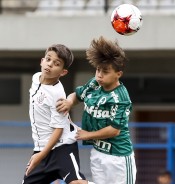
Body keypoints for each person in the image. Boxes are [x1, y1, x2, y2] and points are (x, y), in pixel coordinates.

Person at [56, 36, 137, 184]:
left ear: (118, 74)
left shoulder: (120, 98)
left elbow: (114, 130)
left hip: (118, 157)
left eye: (105, 71)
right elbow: (77, 95)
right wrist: (69, 102)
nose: (99, 75)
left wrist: (88, 135)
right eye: (98, 70)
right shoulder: (94, 84)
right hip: (98, 153)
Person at [22, 44, 94, 184]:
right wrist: (41, 153)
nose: (50, 65)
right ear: (42, 61)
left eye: (57, 64)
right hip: (41, 148)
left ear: (63, 72)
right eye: (48, 59)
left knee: (76, 182)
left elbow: (59, 129)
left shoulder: (57, 93)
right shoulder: (36, 78)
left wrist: (41, 155)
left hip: (62, 147)